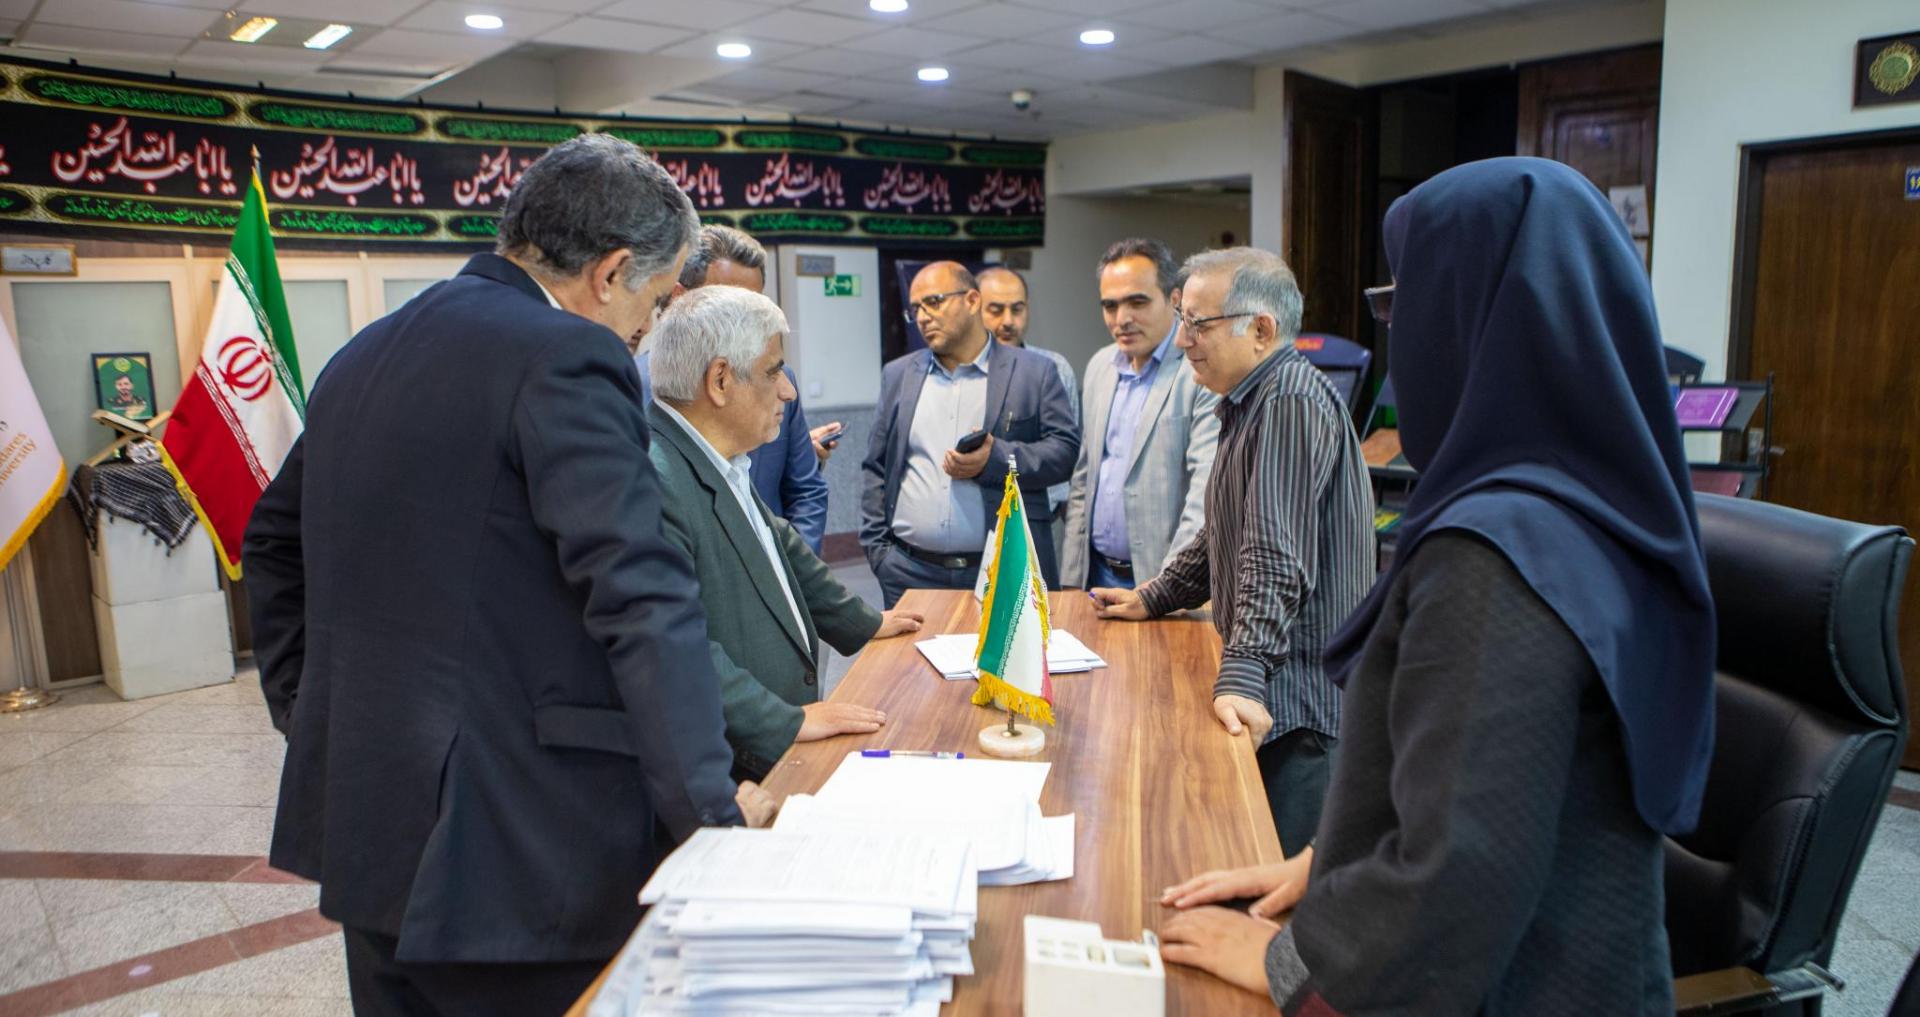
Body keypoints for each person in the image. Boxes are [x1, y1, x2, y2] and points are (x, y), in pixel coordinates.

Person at [1155, 158, 1715, 1016]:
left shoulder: (1495, 556)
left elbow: (1462, 873)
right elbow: (1504, 782)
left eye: (1399, 304)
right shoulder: (1588, 501)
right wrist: (1330, 860)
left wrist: (1293, 962)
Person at [242, 134, 772, 1017]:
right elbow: (642, 597)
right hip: (518, 855)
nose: (647, 327)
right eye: (654, 297)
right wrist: (708, 819)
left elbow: (270, 542)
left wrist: (311, 713)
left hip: (370, 826)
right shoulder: (568, 355)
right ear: (610, 272)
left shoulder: (365, 352)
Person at [1091, 247, 1374, 853]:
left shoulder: (1289, 400)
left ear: (1261, 330)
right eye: (1182, 319)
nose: (1183, 339)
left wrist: (1243, 675)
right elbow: (1225, 529)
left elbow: (1274, 555)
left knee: (1279, 882)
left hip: (1299, 706)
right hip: (1276, 684)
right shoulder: (1250, 398)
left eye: (1199, 324)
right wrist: (1157, 595)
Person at [646, 284, 925, 778]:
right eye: (774, 372)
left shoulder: (715, 455)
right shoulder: (655, 478)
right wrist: (783, 721)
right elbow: (670, 643)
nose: (788, 392)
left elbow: (775, 543)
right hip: (729, 765)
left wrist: (863, 622)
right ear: (720, 380)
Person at [860, 261, 1079, 608]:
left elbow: (1064, 453)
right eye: (916, 309)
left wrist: (996, 459)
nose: (923, 317)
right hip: (909, 572)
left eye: (934, 302)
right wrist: (880, 553)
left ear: (973, 300)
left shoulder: (1035, 372)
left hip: (1001, 571)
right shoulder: (899, 375)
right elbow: (876, 466)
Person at [633, 224, 836, 552]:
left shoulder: (780, 384)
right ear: (680, 300)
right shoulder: (629, 389)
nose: (749, 320)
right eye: (731, 306)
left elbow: (806, 491)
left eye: (755, 305)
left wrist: (793, 574)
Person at [1062, 237, 1219, 591]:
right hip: (1095, 576)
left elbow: (1204, 498)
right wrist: (1071, 578)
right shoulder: (1100, 366)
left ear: (1174, 300)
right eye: (1110, 306)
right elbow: (1084, 480)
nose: (1122, 319)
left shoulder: (1200, 372)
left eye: (1137, 302)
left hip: (1164, 582)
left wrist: (1167, 589)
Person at [979, 265, 1077, 549]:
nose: (1008, 321)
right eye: (996, 310)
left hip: (1043, 519)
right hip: (977, 524)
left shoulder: (1053, 368)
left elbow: (1068, 454)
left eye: (1017, 309)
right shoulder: (965, 372)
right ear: (973, 308)